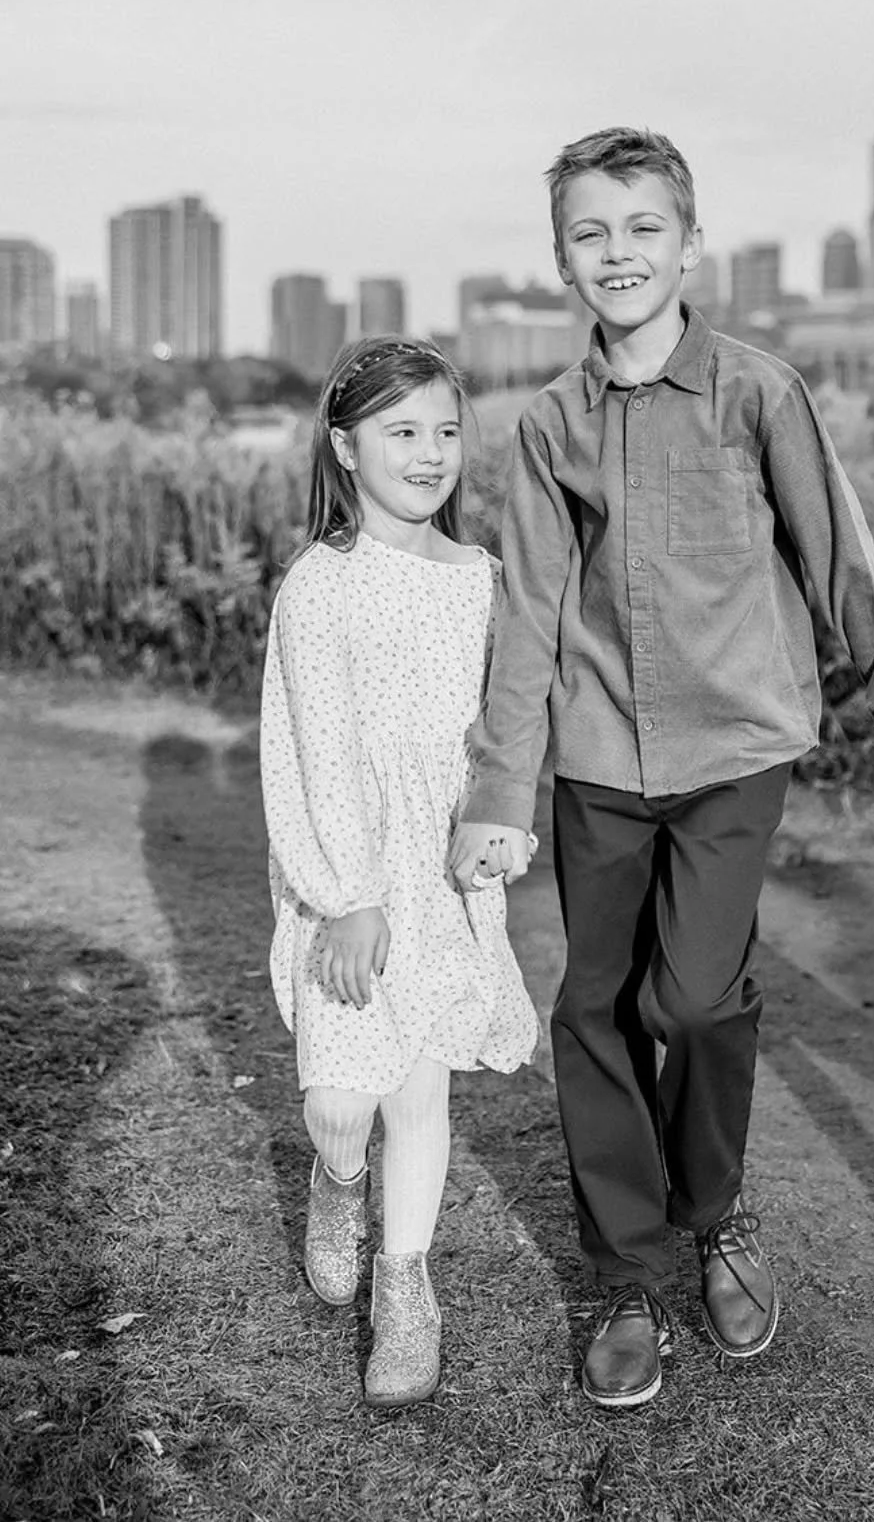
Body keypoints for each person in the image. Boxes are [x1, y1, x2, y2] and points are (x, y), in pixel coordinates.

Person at [447, 126, 874, 1409]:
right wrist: (501, 791)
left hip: (736, 747)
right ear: (561, 257)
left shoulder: (759, 392)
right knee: (595, 1006)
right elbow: (527, 615)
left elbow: (844, 564)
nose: (617, 253)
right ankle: (627, 1271)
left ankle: (717, 1210)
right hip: (598, 756)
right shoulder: (549, 425)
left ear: (690, 245)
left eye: (643, 228)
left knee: (692, 1000)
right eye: (590, 232)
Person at [261, 335, 538, 1409]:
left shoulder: (483, 579)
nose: (430, 453)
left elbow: (506, 731)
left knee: (421, 1084)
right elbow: (313, 750)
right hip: (352, 864)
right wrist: (350, 897)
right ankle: (338, 1178)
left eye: (446, 431)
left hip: (443, 865)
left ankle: (406, 1285)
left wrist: (504, 822)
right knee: (342, 1096)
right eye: (403, 431)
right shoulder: (321, 583)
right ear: (345, 445)